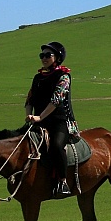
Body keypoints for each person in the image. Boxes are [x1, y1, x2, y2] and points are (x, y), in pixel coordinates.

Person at [24, 42, 78, 198]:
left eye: (48, 55)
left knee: (56, 145)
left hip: (60, 121)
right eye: (42, 55)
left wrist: (40, 116)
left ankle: (63, 181)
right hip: (39, 121)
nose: (44, 58)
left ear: (58, 57)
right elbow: (30, 99)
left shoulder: (63, 76)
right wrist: (29, 115)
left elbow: (56, 100)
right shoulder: (38, 77)